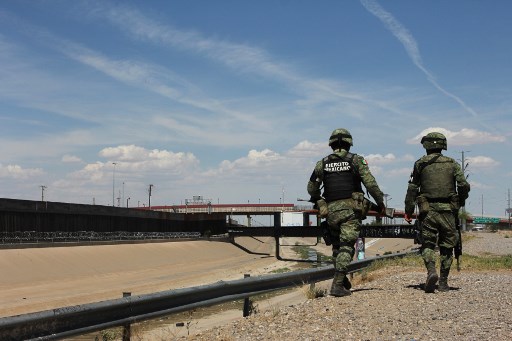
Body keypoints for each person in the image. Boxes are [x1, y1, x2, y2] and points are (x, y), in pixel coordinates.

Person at [307, 128, 385, 297]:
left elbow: (311, 188)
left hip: (331, 213)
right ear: (349, 144)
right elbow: (370, 184)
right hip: (350, 212)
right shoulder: (356, 160)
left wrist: (319, 201)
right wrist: (380, 203)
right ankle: (336, 285)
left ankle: (342, 280)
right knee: (347, 248)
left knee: (336, 248)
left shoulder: (322, 163)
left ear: (331, 144)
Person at [404, 132, 470, 293]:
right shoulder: (452, 163)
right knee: (447, 246)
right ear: (443, 145)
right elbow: (463, 185)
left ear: (426, 145)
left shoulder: (420, 164)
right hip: (448, 211)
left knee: (427, 244)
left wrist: (409, 210)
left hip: (428, 211)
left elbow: (413, 188)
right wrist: (460, 202)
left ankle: (431, 271)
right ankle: (443, 282)